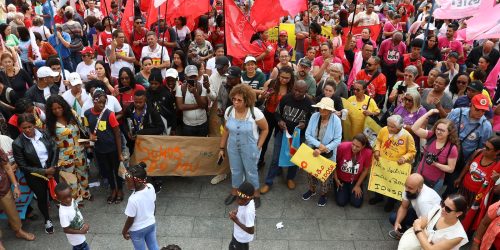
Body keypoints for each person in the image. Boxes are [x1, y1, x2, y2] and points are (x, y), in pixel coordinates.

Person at [219, 84, 268, 208]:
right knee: (235, 170)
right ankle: (235, 191)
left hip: (250, 148)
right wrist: (221, 148)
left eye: (239, 100)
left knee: (251, 172)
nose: (235, 102)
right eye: (234, 99)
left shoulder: (254, 112)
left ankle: (255, 194)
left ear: (247, 101)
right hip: (233, 146)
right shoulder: (229, 111)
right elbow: (226, 130)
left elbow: (265, 129)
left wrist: (259, 146)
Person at [260, 80, 314, 193]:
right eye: (295, 89)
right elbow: (276, 112)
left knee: (295, 158)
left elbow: (312, 119)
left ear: (306, 91)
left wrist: (305, 124)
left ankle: (290, 178)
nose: (297, 93)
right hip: (282, 133)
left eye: (300, 91)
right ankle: (268, 182)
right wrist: (279, 121)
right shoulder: (286, 98)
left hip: (298, 136)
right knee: (275, 158)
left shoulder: (309, 103)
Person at [13, 113, 59, 234]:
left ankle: (64, 214)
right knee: (42, 198)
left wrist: (52, 168)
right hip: (35, 177)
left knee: (56, 194)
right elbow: (23, 166)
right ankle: (47, 220)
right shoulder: (17, 143)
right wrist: (44, 172)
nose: (27, 130)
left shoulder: (44, 133)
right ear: (20, 128)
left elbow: (55, 148)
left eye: (29, 126)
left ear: (34, 124)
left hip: (52, 170)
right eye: (24, 128)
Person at [444, 94, 493, 196]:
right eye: (477, 109)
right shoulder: (457, 112)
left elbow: (479, 151)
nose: (480, 113)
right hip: (444, 153)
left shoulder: (486, 126)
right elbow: (444, 126)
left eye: (483, 111)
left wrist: (465, 170)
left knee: (450, 190)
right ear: (471, 105)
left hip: (461, 161)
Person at [46, 95, 91, 203]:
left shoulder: (72, 115)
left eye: (59, 107)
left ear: (64, 106)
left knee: (83, 174)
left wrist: (87, 141)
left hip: (79, 151)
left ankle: (85, 193)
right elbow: (51, 143)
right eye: (54, 109)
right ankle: (75, 199)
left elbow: (82, 129)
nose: (57, 110)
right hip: (64, 156)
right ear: (50, 110)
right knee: (70, 180)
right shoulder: (50, 124)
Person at [83, 88, 124, 204]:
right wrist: (91, 135)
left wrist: (120, 152)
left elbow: (117, 134)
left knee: (117, 170)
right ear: (93, 101)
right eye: (99, 102)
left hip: (113, 149)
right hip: (99, 149)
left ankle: (120, 189)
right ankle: (113, 189)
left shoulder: (109, 114)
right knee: (107, 171)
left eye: (103, 102)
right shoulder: (87, 114)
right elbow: (88, 129)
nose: (101, 104)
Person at [370, 115, 417, 212]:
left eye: (392, 127)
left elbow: (412, 152)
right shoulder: (384, 130)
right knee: (380, 180)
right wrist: (377, 150)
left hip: (396, 166)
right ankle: (378, 197)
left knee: (394, 184)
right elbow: (378, 141)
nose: (389, 128)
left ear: (400, 127)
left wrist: (404, 158)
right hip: (382, 163)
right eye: (388, 125)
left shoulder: (407, 136)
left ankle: (391, 202)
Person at [302, 97, 342, 206]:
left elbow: (338, 139)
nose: (322, 110)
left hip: (328, 153)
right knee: (311, 172)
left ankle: (324, 194)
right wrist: (319, 146)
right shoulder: (315, 116)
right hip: (314, 150)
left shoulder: (336, 121)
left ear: (330, 110)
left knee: (326, 176)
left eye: (325, 109)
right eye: (320, 108)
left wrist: (325, 148)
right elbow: (308, 134)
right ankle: (312, 189)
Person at [412, 111, 459, 192]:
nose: (438, 132)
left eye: (442, 130)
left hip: (434, 182)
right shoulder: (432, 136)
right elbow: (414, 128)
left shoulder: (452, 148)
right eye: (437, 129)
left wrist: (435, 164)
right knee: (413, 200)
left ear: (449, 132)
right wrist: (428, 113)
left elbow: (451, 169)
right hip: (419, 175)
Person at [257, 66, 294, 169]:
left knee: (281, 142)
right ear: (278, 75)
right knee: (264, 138)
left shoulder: (292, 89)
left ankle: (278, 164)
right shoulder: (270, 83)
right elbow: (260, 99)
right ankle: (260, 159)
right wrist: (263, 96)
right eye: (282, 77)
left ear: (291, 78)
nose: (284, 80)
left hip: (282, 118)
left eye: (287, 78)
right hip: (268, 114)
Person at [388, 173, 441, 240]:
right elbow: (404, 206)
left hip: (432, 220)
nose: (406, 189)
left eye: (410, 188)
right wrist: (397, 222)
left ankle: (408, 238)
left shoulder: (424, 201)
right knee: (394, 218)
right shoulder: (408, 188)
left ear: (420, 188)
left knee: (419, 234)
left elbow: (426, 224)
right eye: (406, 186)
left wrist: (415, 232)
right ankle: (403, 233)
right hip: (419, 212)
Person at [0, 141, 35, 241]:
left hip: (3, 186)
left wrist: (15, 186)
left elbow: (7, 167)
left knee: (11, 210)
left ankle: (19, 231)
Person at [122, 162, 159, 250]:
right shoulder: (150, 187)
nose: (126, 183)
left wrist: (124, 231)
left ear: (138, 183)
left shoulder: (133, 199)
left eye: (128, 182)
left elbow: (130, 219)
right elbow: (154, 204)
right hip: (151, 224)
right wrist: (151, 217)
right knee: (154, 246)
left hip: (137, 230)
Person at [454, 136, 500, 207]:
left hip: (476, 196)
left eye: (488, 148)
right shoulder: (478, 152)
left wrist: (497, 180)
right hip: (463, 188)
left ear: (497, 152)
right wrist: (459, 178)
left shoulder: (498, 166)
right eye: (484, 145)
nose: (484, 149)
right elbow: (468, 164)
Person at [334, 134, 372, 208]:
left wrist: (357, 185)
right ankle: (343, 191)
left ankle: (352, 189)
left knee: (356, 204)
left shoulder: (368, 152)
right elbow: (334, 163)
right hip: (341, 179)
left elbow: (365, 170)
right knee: (341, 202)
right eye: (353, 144)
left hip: (355, 180)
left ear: (363, 146)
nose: (354, 148)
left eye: (357, 146)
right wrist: (336, 179)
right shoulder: (342, 147)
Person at [55, 182, 90, 250]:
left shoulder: (73, 200)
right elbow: (66, 230)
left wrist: (84, 224)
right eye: (64, 198)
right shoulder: (63, 213)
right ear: (58, 198)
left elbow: (75, 211)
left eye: (69, 196)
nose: (68, 199)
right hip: (76, 239)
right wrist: (81, 232)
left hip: (80, 234)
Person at [175, 65, 208, 136]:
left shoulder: (202, 87)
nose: (193, 79)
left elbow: (203, 105)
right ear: (185, 76)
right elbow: (180, 107)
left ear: (197, 76)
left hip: (202, 124)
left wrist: (195, 93)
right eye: (190, 77)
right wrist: (198, 106)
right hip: (188, 125)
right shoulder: (180, 88)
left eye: (194, 76)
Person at [147, 68, 176, 135]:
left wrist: (173, 128)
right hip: (151, 126)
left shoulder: (167, 94)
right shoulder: (147, 93)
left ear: (160, 83)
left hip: (166, 125)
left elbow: (173, 112)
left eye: (155, 84)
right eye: (151, 83)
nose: (153, 85)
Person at [228, 182, 256, 250]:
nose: (239, 201)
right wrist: (236, 211)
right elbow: (241, 207)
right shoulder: (248, 201)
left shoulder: (248, 212)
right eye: (238, 198)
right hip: (237, 233)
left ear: (250, 198)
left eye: (243, 199)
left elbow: (251, 231)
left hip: (241, 239)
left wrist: (236, 220)